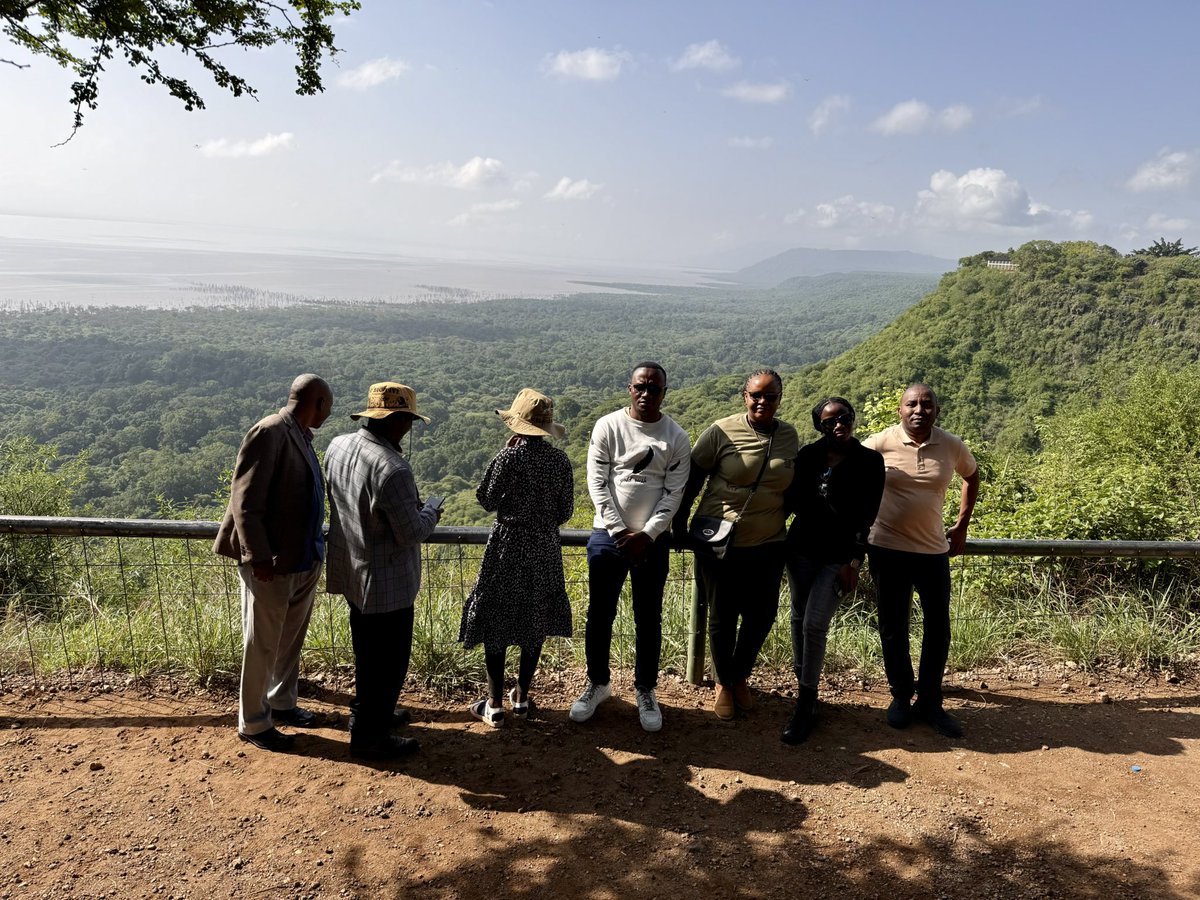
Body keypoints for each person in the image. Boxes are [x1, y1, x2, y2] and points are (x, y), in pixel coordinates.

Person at [214, 374, 333, 752]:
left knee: (288, 640)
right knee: (262, 642)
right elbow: (245, 501)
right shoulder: (269, 431)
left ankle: (282, 702)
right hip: (272, 563)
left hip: (302, 557)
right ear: (316, 401)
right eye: (327, 406)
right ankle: (253, 721)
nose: (327, 413)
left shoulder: (299, 434)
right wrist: (258, 557)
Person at [570, 362, 691, 732]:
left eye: (654, 389)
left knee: (648, 618)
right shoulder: (608, 426)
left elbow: (674, 494)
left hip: (653, 542)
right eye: (641, 386)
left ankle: (645, 688)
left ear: (664, 393)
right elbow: (598, 483)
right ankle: (598, 682)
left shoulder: (676, 437)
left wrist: (647, 534)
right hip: (608, 537)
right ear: (629, 388)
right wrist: (622, 532)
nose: (646, 393)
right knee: (600, 614)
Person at [325, 382, 443, 760]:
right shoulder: (393, 469)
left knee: (367, 653)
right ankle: (369, 738)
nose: (409, 427)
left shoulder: (338, 446)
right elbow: (411, 532)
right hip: (387, 583)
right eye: (408, 419)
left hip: (353, 570)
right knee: (389, 663)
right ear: (396, 420)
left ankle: (371, 714)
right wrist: (432, 512)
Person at [673, 369, 799, 720]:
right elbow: (693, 477)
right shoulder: (721, 430)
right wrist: (679, 524)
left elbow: (790, 487)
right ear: (744, 396)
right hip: (721, 541)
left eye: (770, 396)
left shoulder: (789, 436)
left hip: (770, 542)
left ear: (780, 398)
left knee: (763, 615)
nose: (762, 402)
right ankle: (725, 684)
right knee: (723, 616)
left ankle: (737, 674)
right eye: (755, 395)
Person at [862, 383, 980, 739]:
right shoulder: (880, 442)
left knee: (938, 629)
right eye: (911, 404)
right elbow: (847, 468)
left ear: (936, 410)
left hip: (932, 551)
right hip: (886, 549)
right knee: (893, 626)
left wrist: (961, 525)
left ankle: (930, 701)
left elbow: (971, 476)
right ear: (899, 410)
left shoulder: (951, 445)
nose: (919, 409)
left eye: (926, 404)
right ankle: (900, 696)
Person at [458, 389, 575, 727]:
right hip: (544, 546)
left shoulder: (509, 458)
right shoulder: (559, 462)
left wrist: (501, 455)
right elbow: (565, 511)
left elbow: (486, 499)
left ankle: (493, 703)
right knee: (534, 617)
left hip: (507, 544)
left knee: (496, 616)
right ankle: (522, 697)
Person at [781, 397, 884, 744]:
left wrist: (854, 562)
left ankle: (806, 700)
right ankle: (802, 680)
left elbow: (867, 516)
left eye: (844, 417)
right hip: (800, 551)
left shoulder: (870, 461)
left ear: (852, 419)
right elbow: (791, 501)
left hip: (837, 558)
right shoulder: (809, 456)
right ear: (819, 427)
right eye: (829, 422)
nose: (838, 425)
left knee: (814, 623)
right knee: (797, 615)